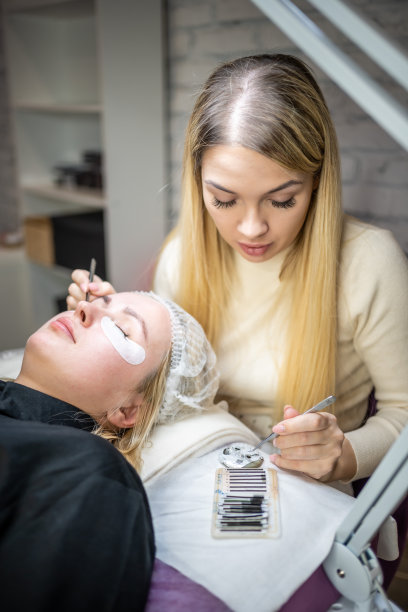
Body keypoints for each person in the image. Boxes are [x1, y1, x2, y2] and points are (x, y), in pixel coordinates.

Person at [67, 54, 408, 487]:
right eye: (225, 200)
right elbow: (159, 394)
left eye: (282, 200)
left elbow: (404, 413)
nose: (252, 228)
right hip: (195, 475)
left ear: (318, 179)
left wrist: (343, 455)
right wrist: (103, 333)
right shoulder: (181, 255)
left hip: (311, 495)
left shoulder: (370, 262)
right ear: (197, 181)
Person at [0, 290, 221, 611]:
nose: (84, 308)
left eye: (122, 330)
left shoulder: (86, 469)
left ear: (128, 411)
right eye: (96, 302)